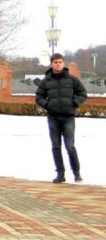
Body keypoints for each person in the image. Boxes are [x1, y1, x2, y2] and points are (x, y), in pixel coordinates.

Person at [35, 53, 87, 183]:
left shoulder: (72, 79)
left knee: (70, 146)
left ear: (63, 63)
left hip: (68, 117)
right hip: (53, 118)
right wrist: (48, 105)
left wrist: (74, 103)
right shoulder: (46, 81)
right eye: (55, 62)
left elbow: (83, 93)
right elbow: (39, 97)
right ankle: (60, 174)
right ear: (51, 64)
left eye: (60, 62)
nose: (58, 64)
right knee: (56, 146)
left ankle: (76, 173)